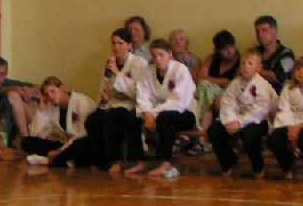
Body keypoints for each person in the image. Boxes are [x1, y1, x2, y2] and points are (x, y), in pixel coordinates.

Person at [127, 38, 196, 177]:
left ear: (169, 54)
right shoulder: (148, 71)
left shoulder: (180, 70)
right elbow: (143, 95)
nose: (157, 59)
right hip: (155, 113)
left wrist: (152, 114)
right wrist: (147, 114)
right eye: (154, 56)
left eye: (161, 55)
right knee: (132, 116)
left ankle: (165, 162)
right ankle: (140, 160)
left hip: (184, 113)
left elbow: (178, 100)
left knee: (164, 118)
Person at [84, 27, 148, 174]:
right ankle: (100, 160)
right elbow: (104, 87)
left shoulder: (139, 63)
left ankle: (117, 160)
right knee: (93, 120)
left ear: (129, 45)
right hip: (112, 103)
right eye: (113, 43)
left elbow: (140, 91)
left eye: (120, 43)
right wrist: (103, 97)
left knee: (112, 117)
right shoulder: (109, 64)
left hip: (131, 104)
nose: (116, 47)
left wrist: (118, 74)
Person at [207, 51, 278, 178]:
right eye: (243, 63)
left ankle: (258, 167)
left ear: (258, 68)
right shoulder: (235, 83)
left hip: (258, 122)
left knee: (248, 133)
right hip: (235, 119)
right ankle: (229, 162)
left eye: (250, 63)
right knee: (214, 130)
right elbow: (228, 104)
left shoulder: (263, 85)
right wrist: (231, 120)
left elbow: (259, 111)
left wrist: (240, 123)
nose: (245, 66)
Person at [267, 57, 303, 180]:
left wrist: (299, 127)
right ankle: (287, 166)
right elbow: (284, 108)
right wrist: (290, 127)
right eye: (298, 69)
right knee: (274, 139)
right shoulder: (288, 87)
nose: (300, 72)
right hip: (289, 122)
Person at [22, 76, 96, 167]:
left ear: (61, 88)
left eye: (53, 91)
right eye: (47, 95)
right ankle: (57, 158)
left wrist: (61, 150)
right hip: (65, 145)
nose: (50, 96)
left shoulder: (81, 101)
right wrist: (41, 111)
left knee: (80, 146)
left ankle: (56, 158)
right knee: (27, 141)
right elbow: (35, 134)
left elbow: (83, 133)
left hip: (81, 143)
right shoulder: (52, 106)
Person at [0, 56, 38, 148]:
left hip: (10, 122)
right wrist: (15, 89)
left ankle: (32, 138)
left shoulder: (9, 82)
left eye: (2, 74)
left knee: (30, 100)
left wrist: (29, 91)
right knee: (13, 95)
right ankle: (25, 140)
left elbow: (35, 86)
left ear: (6, 73)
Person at [194, 30, 240, 134]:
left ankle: (202, 131)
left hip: (226, 94)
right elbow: (200, 79)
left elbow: (232, 84)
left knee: (207, 89)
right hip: (207, 93)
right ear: (218, 51)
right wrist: (222, 81)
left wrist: (210, 79)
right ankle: (204, 131)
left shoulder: (240, 62)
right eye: (224, 49)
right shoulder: (212, 58)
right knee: (204, 87)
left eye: (231, 47)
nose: (229, 51)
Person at [254, 15, 296, 93]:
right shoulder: (254, 52)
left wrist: (254, 70)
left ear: (274, 31)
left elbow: (279, 77)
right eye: (257, 31)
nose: (260, 35)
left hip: (278, 97)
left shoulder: (287, 55)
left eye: (264, 30)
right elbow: (242, 72)